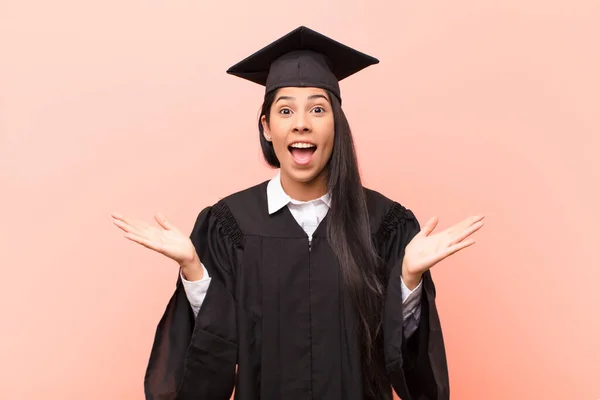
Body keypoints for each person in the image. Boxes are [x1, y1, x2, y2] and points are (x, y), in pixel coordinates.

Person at [112, 26, 484, 400]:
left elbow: (403, 362)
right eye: (285, 110)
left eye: (318, 109)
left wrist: (408, 280)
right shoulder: (229, 225)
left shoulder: (384, 225)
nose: (301, 122)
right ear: (267, 127)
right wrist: (194, 270)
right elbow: (217, 349)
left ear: (336, 125)